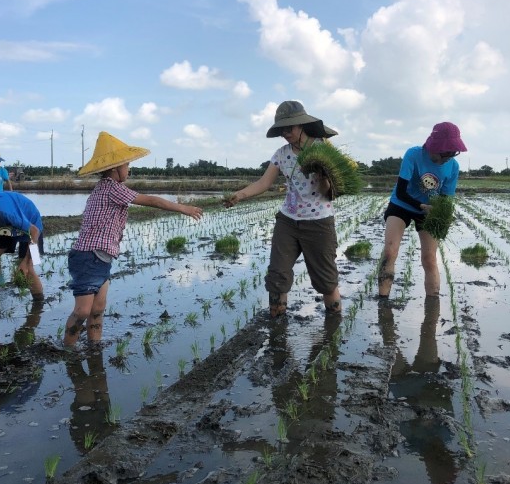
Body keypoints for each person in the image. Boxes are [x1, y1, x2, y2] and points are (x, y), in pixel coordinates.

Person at [62, 131, 203, 349]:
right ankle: (67, 350)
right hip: (88, 256)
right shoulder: (111, 187)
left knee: (98, 310)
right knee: (83, 311)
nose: (129, 169)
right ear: (114, 169)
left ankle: (94, 348)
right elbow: (150, 200)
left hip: (101, 258)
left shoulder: (110, 188)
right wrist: (182, 208)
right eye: (127, 165)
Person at [224, 100, 342, 317]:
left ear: (302, 125)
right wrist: (239, 195)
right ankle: (277, 331)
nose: (285, 133)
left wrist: (323, 174)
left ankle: (333, 328)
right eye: (282, 129)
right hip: (287, 220)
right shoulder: (281, 154)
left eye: (290, 128)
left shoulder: (323, 151)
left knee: (326, 280)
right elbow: (263, 183)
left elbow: (330, 193)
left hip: (318, 222)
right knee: (277, 276)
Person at [378, 122, 467, 300]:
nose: (445, 159)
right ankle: (383, 301)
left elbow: (445, 199)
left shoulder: (453, 166)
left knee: (429, 259)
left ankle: (432, 305)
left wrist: (442, 217)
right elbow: (401, 191)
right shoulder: (414, 154)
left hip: (429, 212)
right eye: (443, 154)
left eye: (450, 155)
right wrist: (421, 206)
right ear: (433, 146)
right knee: (390, 251)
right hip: (402, 204)